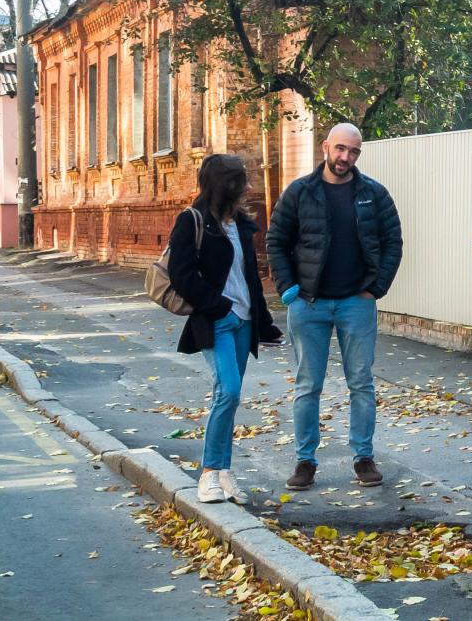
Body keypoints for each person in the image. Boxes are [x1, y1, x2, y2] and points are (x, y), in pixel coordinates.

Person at [267, 122, 403, 491]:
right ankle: (305, 461)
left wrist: (375, 288)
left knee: (361, 383)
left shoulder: (373, 194)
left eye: (354, 151)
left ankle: (363, 457)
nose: (346, 157)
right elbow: (276, 241)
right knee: (308, 385)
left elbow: (393, 242)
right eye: (341, 149)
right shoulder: (299, 192)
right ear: (326, 147)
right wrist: (288, 288)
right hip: (308, 304)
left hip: (355, 304)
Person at [165, 152, 283, 505]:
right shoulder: (192, 221)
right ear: (224, 186)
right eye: (241, 180)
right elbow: (181, 274)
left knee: (230, 398)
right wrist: (218, 307)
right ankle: (208, 474)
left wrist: (264, 324)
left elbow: (250, 278)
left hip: (244, 321)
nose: (248, 186)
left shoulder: (242, 225)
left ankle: (225, 472)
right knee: (227, 391)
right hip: (215, 320)